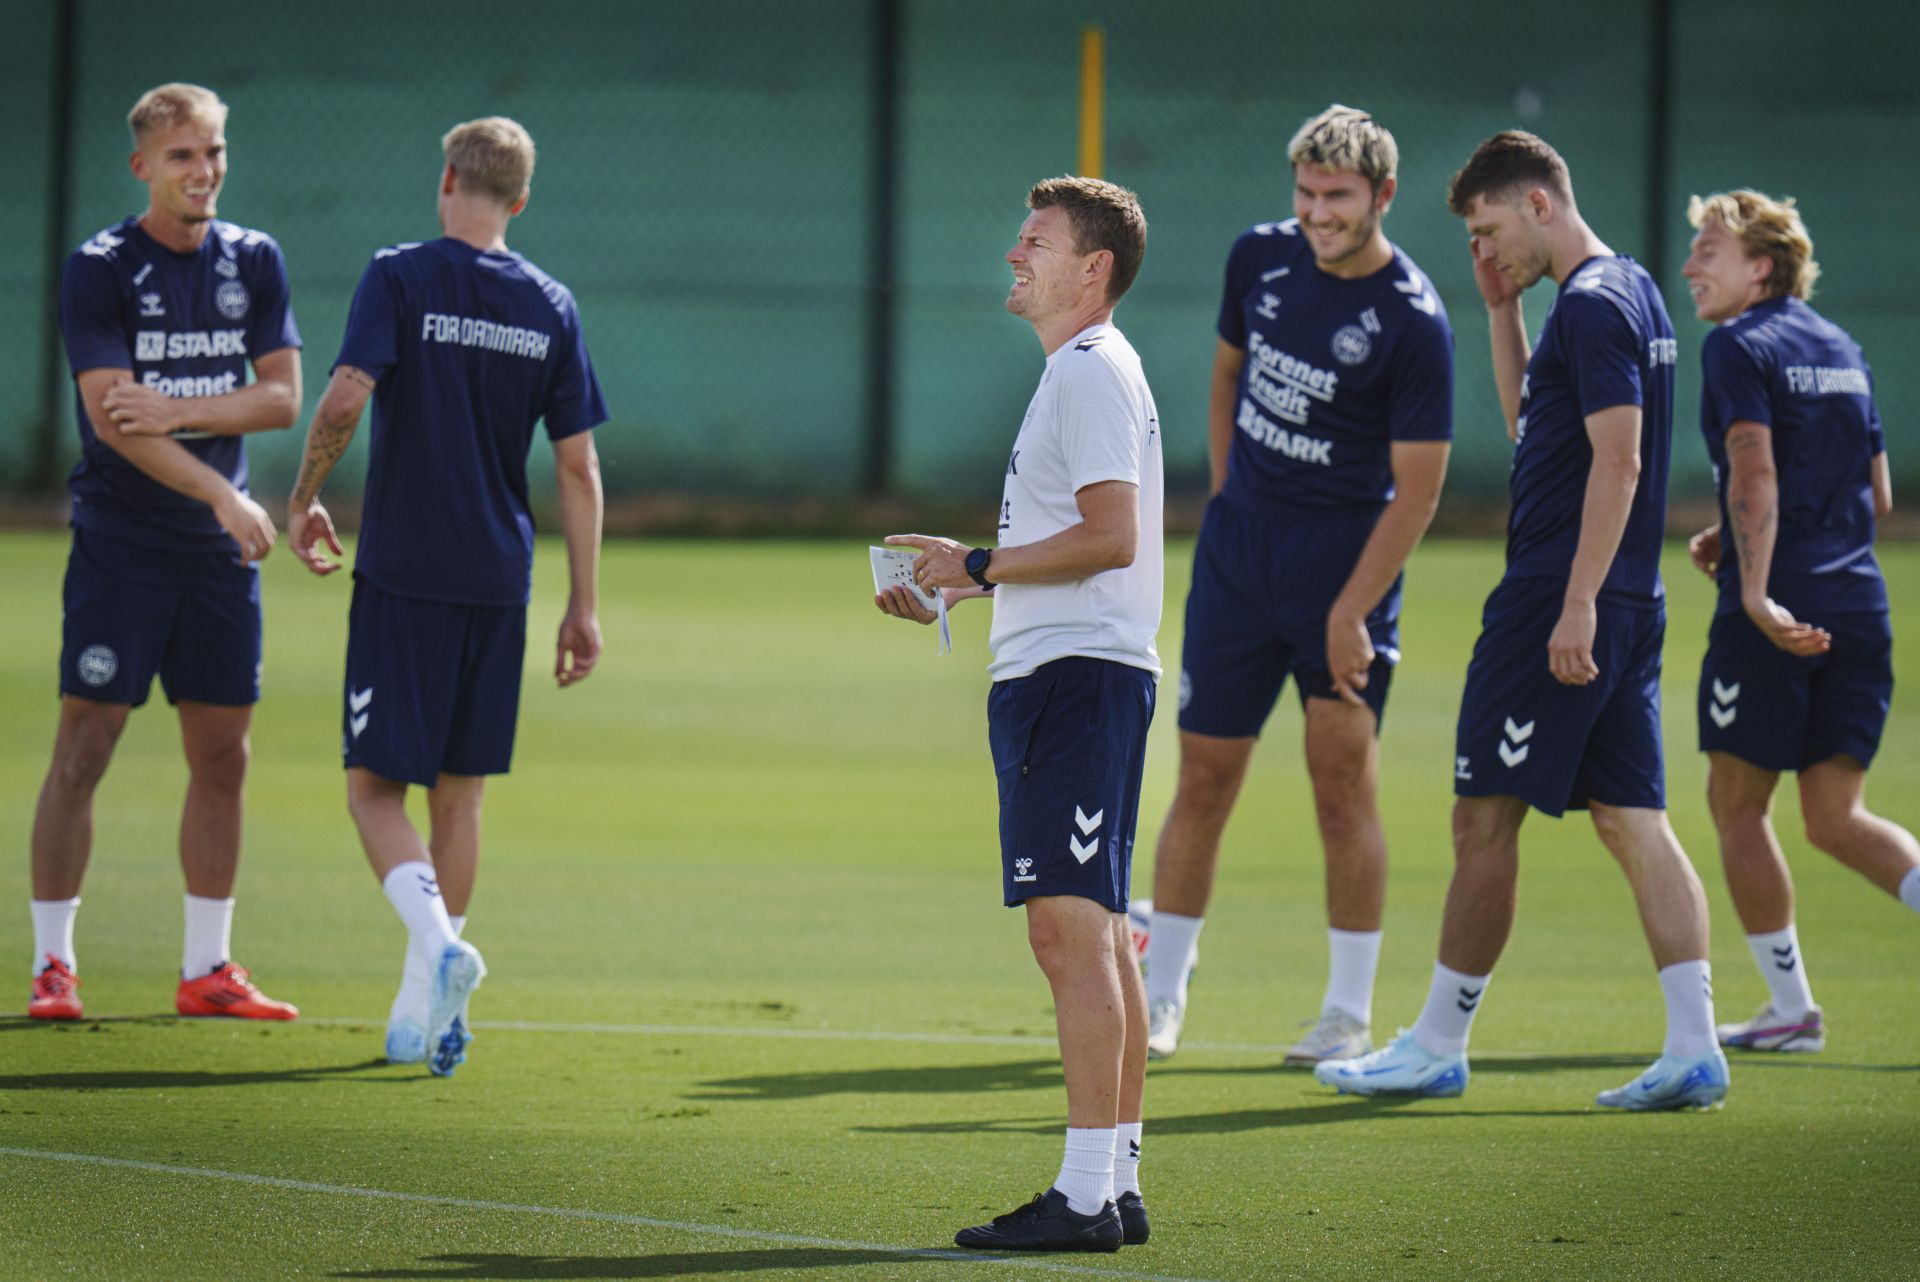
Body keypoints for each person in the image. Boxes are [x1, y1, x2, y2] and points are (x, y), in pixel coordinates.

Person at [1317, 131, 1730, 1110]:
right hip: (1627, 598)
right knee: (1634, 821)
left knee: (1483, 814)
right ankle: (1695, 1044)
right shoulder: (1625, 291)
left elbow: (1622, 463)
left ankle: (1436, 1042)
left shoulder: (1590, 306)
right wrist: (1502, 311)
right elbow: (1532, 425)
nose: (1488, 248)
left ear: (1539, 205)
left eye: (1492, 229)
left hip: (1560, 598)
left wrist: (1575, 600)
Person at [287, 116, 608, 1076]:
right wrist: (583, 605)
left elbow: (344, 397)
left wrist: (302, 499)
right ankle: (415, 1007)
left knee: (373, 789)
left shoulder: (400, 274)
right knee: (459, 796)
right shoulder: (551, 303)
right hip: (499, 579)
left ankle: (436, 948)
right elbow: (580, 469)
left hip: (405, 572)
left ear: (445, 182)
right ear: (518, 200)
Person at [877, 177, 1160, 1252]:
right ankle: (1115, 1179)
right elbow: (1076, 539)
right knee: (1095, 933)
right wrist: (961, 577)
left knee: (1070, 932)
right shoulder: (1082, 373)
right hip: (1080, 675)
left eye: (1034, 242)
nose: (1013, 256)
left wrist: (982, 561)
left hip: (1077, 682)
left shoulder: (1088, 371)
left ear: (1092, 269)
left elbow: (1112, 536)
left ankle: (1087, 1195)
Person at [1141, 104, 1453, 1065]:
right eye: (1307, 193)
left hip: (1343, 572)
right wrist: (1231, 489)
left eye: (1339, 197)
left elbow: (1421, 491)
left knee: (1340, 784)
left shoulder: (1412, 319)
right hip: (1239, 560)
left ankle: (1347, 1015)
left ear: (1382, 197)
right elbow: (1226, 374)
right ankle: (1160, 996)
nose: (1318, 213)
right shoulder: (1258, 259)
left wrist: (1351, 608)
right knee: (1203, 777)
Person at [29, 83, 302, 1022]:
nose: (205, 171)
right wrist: (225, 491)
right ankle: (53, 966)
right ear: (143, 165)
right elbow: (113, 425)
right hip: (123, 545)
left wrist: (181, 407)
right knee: (86, 745)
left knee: (224, 756)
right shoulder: (98, 267)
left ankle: (206, 969)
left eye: (215, 151)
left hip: (215, 557)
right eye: (183, 156)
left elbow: (281, 398)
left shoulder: (254, 258)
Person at [1680, 189, 1919, 1053]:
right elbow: (1878, 492)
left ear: (1762, 267)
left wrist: (1752, 587)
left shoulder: (1738, 346)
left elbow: (1756, 468)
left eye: (1709, 248)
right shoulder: (1844, 347)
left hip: (1777, 607)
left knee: (1738, 806)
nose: (1691, 265)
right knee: (1836, 818)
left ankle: (1790, 1010)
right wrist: (1733, 531)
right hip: (1860, 600)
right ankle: (1789, 1011)